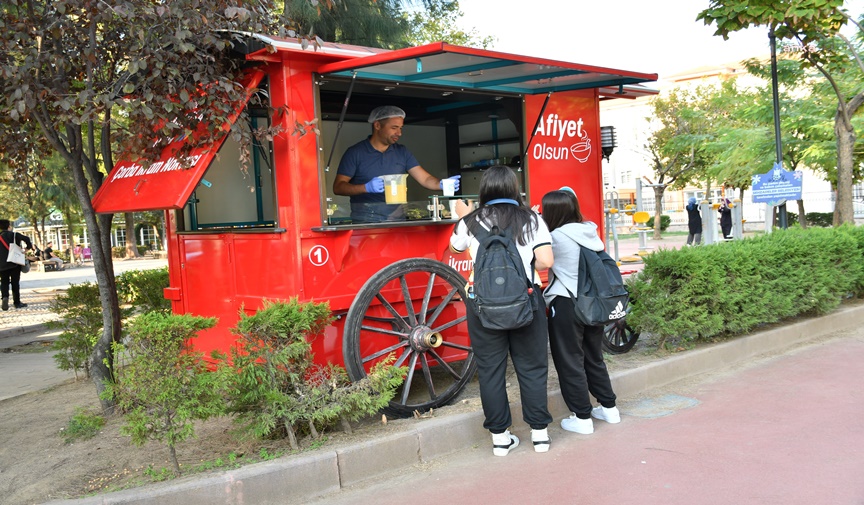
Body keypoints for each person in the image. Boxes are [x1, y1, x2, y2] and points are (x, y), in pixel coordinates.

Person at [449, 165, 554, 456]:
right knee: (532, 368)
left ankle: (500, 439)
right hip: (527, 301)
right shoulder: (531, 219)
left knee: (491, 370)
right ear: (513, 188)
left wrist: (462, 217)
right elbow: (546, 261)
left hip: (482, 305)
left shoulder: (469, 221)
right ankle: (540, 436)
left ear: (484, 190)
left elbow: (456, 249)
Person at [541, 188, 621, 435]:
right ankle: (609, 408)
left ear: (551, 212)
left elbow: (539, 260)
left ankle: (582, 417)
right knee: (593, 356)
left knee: (569, 361)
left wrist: (534, 223)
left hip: (566, 304)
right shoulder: (590, 231)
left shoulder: (555, 237)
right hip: (593, 303)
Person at [333, 105, 461, 223]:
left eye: (400, 128)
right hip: (365, 222)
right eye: (394, 128)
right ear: (377, 125)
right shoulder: (355, 152)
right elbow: (338, 187)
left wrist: (441, 184)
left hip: (397, 220)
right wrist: (365, 188)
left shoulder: (402, 152)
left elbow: (425, 179)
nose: (399, 133)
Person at [0, 219, 34, 310]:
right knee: (15, 282)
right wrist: (26, 249)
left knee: (4, 282)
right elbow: (27, 239)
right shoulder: (15, 235)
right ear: (9, 227)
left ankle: (5, 297)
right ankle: (17, 303)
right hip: (15, 262)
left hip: (2, 264)